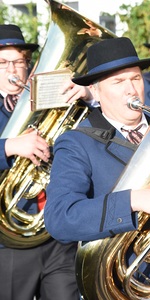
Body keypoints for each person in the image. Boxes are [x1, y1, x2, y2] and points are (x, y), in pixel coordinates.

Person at [44, 37, 150, 300]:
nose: (131, 90)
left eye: (135, 78)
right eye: (118, 82)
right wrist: (134, 200)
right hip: (120, 290)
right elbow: (60, 218)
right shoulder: (77, 142)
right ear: (97, 92)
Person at [0, 24, 92, 300]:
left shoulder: (48, 100)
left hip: (57, 236)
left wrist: (90, 97)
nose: (12, 70)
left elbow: (93, 136)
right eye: (3, 62)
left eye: (19, 62)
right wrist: (9, 146)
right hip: (9, 241)